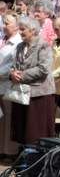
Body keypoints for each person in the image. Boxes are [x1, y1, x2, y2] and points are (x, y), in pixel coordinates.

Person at [11, 16, 56, 145]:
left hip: (39, 94)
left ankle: (37, 155)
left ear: (32, 30)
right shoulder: (20, 46)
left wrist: (22, 75)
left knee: (35, 131)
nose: (20, 32)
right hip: (22, 94)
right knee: (22, 129)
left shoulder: (43, 46)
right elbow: (14, 66)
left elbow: (43, 69)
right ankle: (24, 153)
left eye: (23, 29)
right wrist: (12, 74)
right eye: (19, 29)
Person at [0, 14, 21, 157]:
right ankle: (1, 149)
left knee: (9, 118)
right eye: (3, 22)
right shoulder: (3, 40)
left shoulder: (18, 43)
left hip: (8, 85)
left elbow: (13, 65)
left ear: (16, 26)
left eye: (7, 23)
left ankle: (10, 151)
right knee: (1, 119)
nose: (4, 26)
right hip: (0, 84)